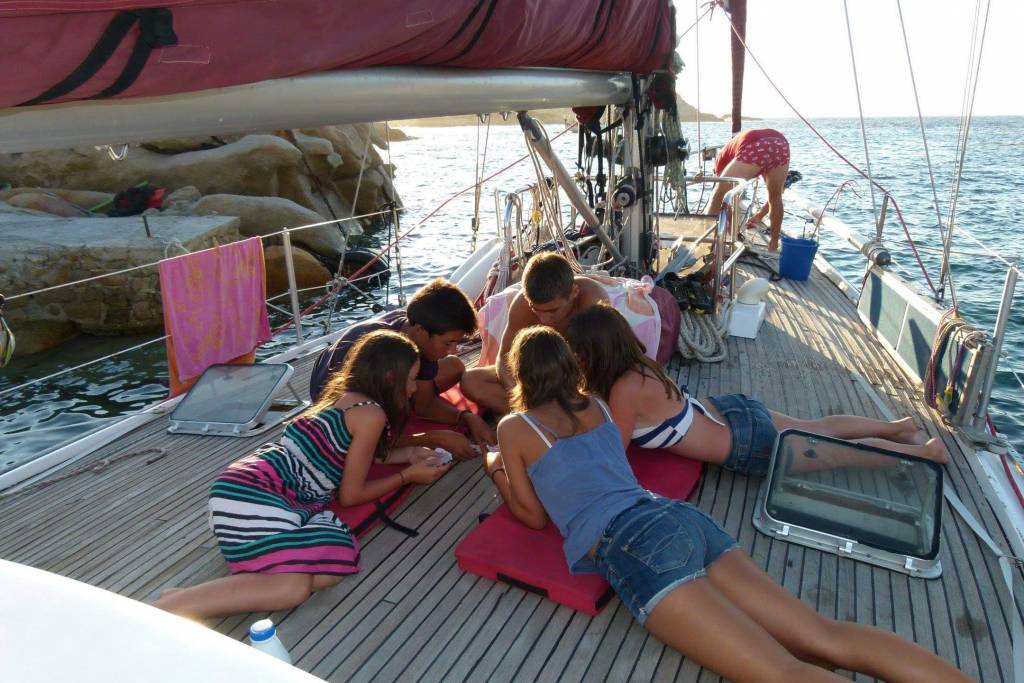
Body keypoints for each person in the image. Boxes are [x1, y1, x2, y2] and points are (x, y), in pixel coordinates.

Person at [482, 326, 971, 683]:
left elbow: (532, 515)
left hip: (632, 544)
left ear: (519, 376)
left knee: (784, 674)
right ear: (570, 367)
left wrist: (496, 469)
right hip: (678, 517)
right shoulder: (602, 405)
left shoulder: (515, 428)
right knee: (825, 636)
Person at [154, 331, 453, 619]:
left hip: (244, 482)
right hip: (260, 493)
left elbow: (347, 453)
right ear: (391, 378)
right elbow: (351, 496)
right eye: (412, 380)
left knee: (319, 577)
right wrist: (407, 476)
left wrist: (409, 455)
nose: (414, 388)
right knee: (296, 587)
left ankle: (187, 596)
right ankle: (172, 606)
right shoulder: (373, 414)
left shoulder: (348, 398)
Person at [565, 305, 948, 476]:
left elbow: (612, 453)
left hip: (747, 443)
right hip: (733, 411)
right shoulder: (640, 366)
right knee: (818, 427)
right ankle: (897, 427)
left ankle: (926, 454)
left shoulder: (623, 390)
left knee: (839, 456)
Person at [310, 278, 495, 456]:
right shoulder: (375, 354)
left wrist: (467, 418)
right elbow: (356, 436)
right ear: (421, 331)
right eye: (448, 343)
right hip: (334, 399)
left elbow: (424, 404)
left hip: (375, 383)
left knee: (454, 365)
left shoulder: (420, 336)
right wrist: (431, 438)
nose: (453, 350)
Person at [462, 252, 609, 415]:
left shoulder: (593, 301)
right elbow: (504, 357)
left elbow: (601, 363)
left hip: (580, 378)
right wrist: (519, 391)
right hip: (538, 379)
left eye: (553, 310)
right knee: (471, 381)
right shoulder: (522, 304)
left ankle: (542, 418)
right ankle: (537, 418)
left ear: (574, 292)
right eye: (535, 310)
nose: (544, 320)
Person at [706, 128, 791, 252]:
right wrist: (759, 216)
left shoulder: (720, 163)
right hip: (781, 143)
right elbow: (774, 197)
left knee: (718, 194)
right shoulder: (738, 152)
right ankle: (773, 246)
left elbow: (725, 202)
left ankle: (708, 243)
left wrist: (730, 232)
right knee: (776, 197)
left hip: (755, 145)